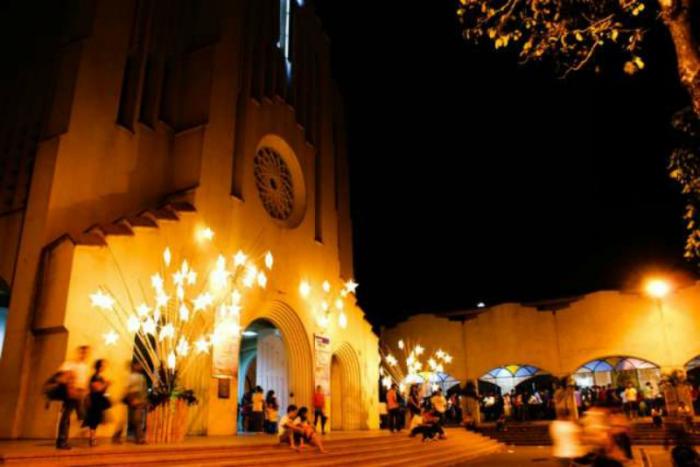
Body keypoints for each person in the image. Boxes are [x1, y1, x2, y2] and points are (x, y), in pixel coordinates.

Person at [56, 345, 91, 449]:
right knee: (67, 416)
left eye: (86, 353)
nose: (84, 355)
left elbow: (84, 381)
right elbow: (61, 378)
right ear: (78, 352)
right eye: (82, 352)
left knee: (81, 414)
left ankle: (63, 440)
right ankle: (62, 441)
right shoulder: (70, 364)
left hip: (80, 393)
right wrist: (69, 387)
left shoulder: (84, 366)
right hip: (71, 392)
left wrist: (85, 391)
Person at [112, 361, 147, 444]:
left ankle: (139, 438)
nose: (140, 367)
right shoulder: (131, 377)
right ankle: (118, 436)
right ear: (133, 366)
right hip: (132, 398)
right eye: (137, 365)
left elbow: (143, 389)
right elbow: (128, 388)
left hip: (138, 398)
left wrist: (143, 399)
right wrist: (131, 399)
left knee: (136, 419)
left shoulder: (141, 377)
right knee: (129, 419)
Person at [83, 359, 111, 447]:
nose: (104, 367)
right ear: (99, 366)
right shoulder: (95, 377)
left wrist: (106, 386)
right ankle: (92, 439)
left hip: (98, 399)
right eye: (103, 365)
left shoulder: (100, 377)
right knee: (93, 420)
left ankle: (93, 438)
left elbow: (102, 389)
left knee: (96, 420)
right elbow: (97, 388)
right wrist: (106, 384)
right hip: (95, 400)